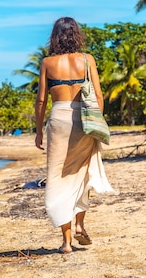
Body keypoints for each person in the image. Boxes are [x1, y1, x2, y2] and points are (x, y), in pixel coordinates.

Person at [34, 17, 114, 254]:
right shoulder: (87, 60)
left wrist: (39, 130)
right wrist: (97, 122)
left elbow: (41, 101)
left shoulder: (47, 63)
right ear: (76, 35)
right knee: (82, 171)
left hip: (59, 119)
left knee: (57, 176)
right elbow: (98, 96)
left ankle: (67, 242)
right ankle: (79, 224)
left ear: (55, 36)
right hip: (84, 119)